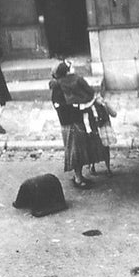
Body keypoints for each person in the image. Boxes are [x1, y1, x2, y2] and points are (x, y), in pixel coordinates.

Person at [50, 60, 93, 189]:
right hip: (70, 123)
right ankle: (78, 178)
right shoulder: (59, 87)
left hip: (73, 121)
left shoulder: (64, 85)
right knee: (75, 151)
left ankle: (78, 176)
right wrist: (78, 106)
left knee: (78, 150)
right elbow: (61, 106)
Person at [88, 98, 117, 176]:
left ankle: (107, 167)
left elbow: (114, 114)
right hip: (94, 128)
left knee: (105, 148)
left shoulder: (103, 104)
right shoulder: (89, 106)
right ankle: (92, 166)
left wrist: (106, 104)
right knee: (93, 148)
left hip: (103, 128)